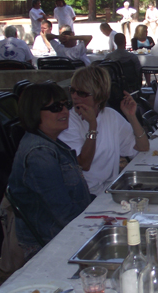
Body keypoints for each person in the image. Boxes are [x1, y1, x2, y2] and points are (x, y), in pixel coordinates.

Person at [8, 83, 92, 260]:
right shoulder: (39, 154)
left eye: (66, 105)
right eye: (55, 107)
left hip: (63, 232)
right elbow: (64, 214)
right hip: (48, 243)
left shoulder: (51, 144)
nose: (64, 111)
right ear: (34, 112)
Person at [58, 65, 149, 196]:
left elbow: (142, 148)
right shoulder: (68, 121)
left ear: (99, 96)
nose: (75, 96)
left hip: (110, 189)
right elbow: (84, 164)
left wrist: (131, 117)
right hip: (86, 194)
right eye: (72, 91)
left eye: (82, 93)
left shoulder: (110, 115)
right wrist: (92, 127)